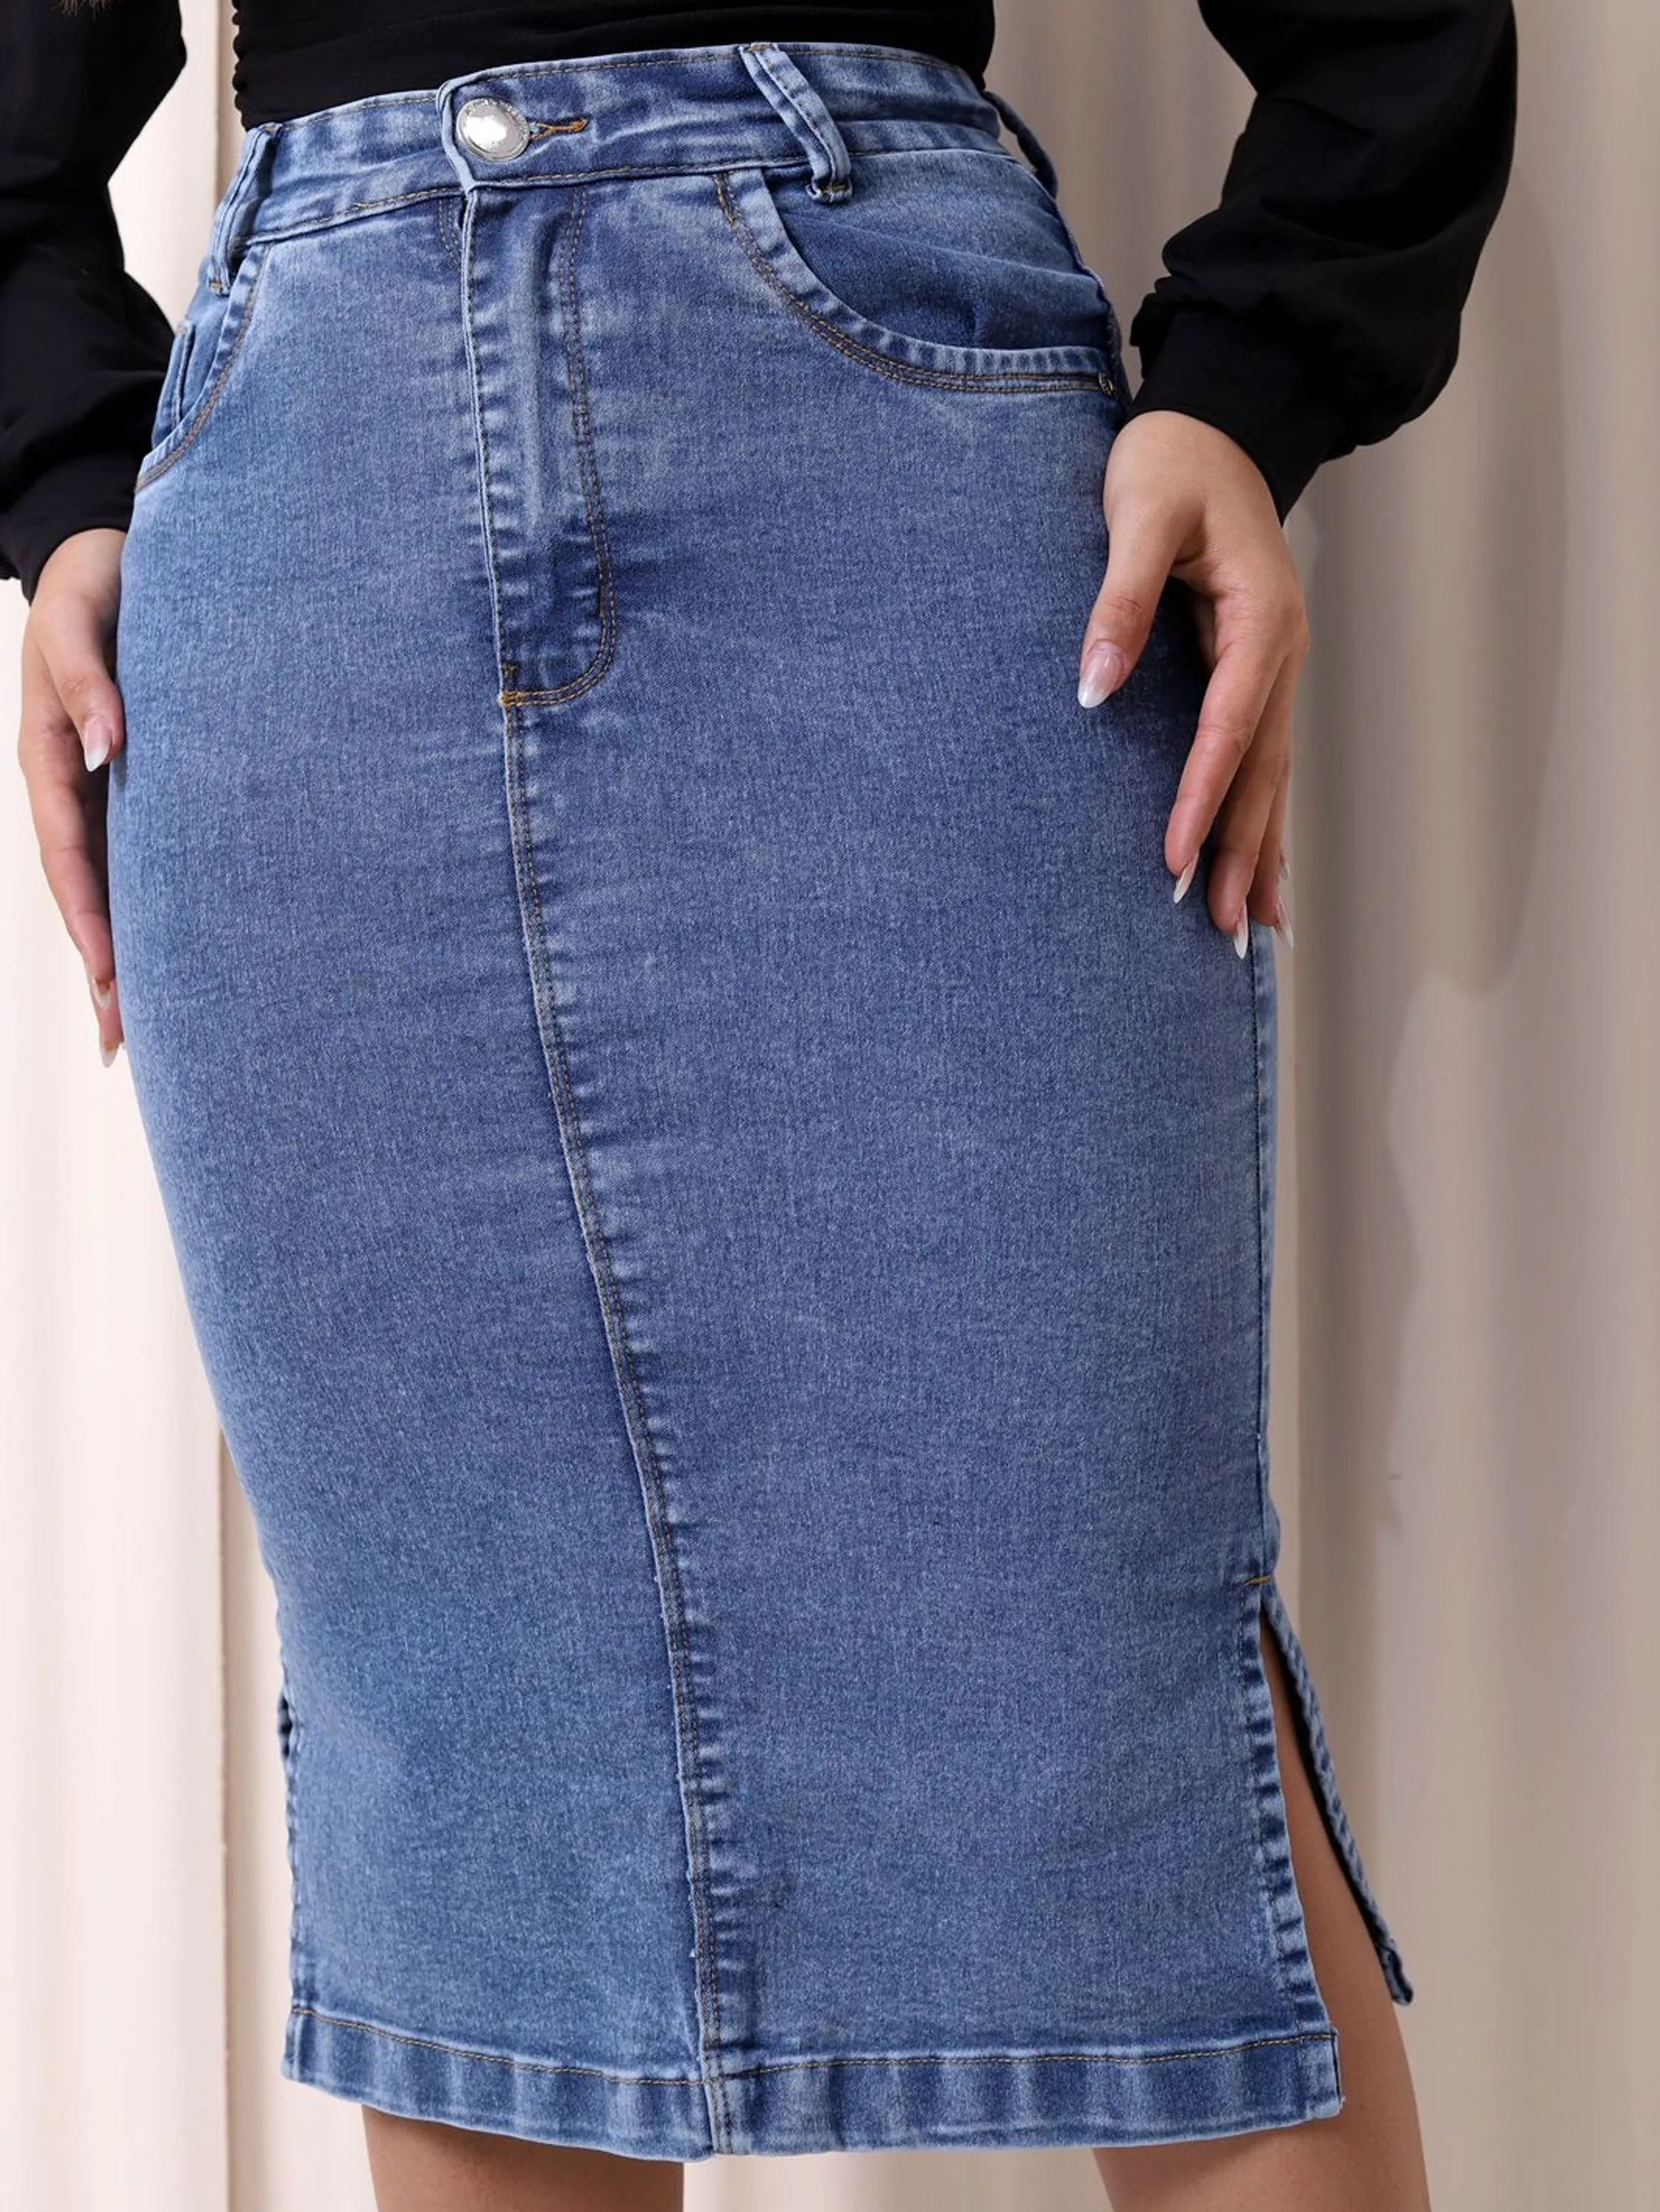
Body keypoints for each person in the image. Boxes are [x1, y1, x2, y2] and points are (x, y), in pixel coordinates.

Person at [4, 2, 1515, 2208]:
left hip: (887, 436)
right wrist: (62, 472)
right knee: (481, 1804)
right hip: (315, 510)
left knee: (1122, 1748)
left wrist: (1249, 383)